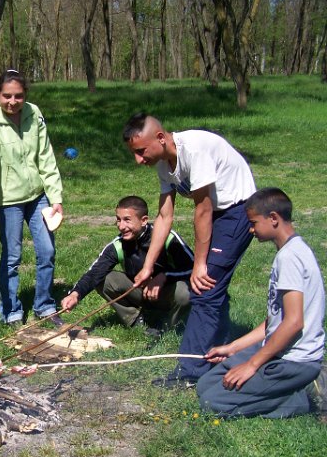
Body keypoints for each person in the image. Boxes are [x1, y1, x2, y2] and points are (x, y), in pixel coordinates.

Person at [123, 113, 256, 387]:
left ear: (160, 138)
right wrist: (148, 266)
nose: (138, 160)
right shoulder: (164, 164)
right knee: (212, 285)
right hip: (217, 213)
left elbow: (202, 210)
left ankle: (189, 372)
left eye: (141, 151)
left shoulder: (195, 150)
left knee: (204, 286)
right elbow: (164, 216)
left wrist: (199, 263)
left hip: (237, 210)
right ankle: (220, 351)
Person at [197, 188, 324, 418]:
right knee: (205, 384)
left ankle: (305, 397)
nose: (250, 229)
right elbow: (275, 321)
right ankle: (276, 389)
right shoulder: (288, 252)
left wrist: (252, 365)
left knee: (212, 402)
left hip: (294, 361)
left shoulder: (291, 257)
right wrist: (233, 348)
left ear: (273, 218)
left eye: (254, 223)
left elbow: (294, 322)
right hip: (276, 349)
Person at [0, 69, 64, 327]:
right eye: (7, 96)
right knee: (12, 256)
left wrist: (55, 196)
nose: (13, 102)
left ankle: (44, 305)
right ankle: (10, 311)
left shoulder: (34, 114)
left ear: (26, 95)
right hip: (8, 201)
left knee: (47, 250)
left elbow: (46, 156)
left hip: (37, 196)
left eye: (19, 96)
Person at [61, 196, 193, 335]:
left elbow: (194, 269)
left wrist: (165, 276)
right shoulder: (118, 245)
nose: (121, 226)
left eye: (127, 220)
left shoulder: (167, 238)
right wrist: (75, 294)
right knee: (103, 279)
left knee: (184, 292)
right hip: (141, 293)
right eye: (118, 219)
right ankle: (136, 321)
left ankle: (170, 328)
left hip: (168, 293)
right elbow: (94, 272)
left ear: (144, 220)